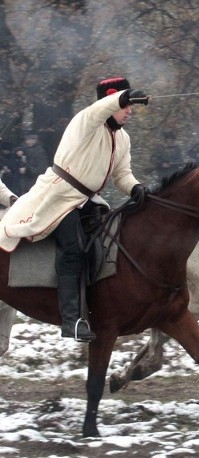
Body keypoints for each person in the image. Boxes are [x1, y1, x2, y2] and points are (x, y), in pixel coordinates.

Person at [0, 76, 150, 341]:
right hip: (58, 197)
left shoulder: (123, 138)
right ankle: (72, 320)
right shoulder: (86, 122)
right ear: (110, 101)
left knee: (107, 242)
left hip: (88, 201)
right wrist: (123, 96)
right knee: (74, 248)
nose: (129, 111)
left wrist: (136, 188)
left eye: (129, 106)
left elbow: (122, 174)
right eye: (125, 105)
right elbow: (97, 110)